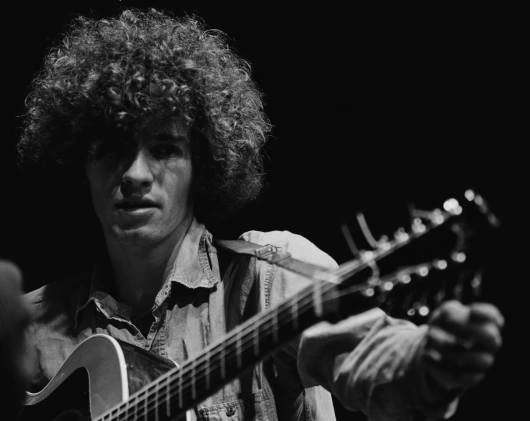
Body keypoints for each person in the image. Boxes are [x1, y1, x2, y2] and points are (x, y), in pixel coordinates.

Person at [6, 8, 504, 420]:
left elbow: (372, 362)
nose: (136, 173)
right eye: (111, 148)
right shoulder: (28, 327)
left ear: (202, 165)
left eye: (164, 148)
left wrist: (430, 364)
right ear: (79, 164)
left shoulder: (269, 275)